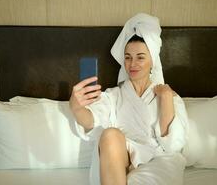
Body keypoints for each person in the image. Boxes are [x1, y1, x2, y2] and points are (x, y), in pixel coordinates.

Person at [69, 13, 189, 185]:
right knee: (110, 134)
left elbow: (171, 146)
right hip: (119, 160)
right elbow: (91, 121)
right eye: (128, 57)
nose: (132, 64)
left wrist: (166, 98)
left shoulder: (169, 96)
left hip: (159, 160)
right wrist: (77, 108)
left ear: (152, 62)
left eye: (140, 57)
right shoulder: (113, 96)